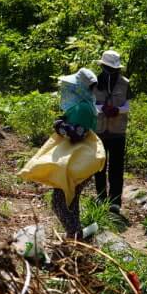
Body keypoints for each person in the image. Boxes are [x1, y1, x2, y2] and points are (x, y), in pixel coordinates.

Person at [50, 68, 98, 240]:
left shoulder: (83, 108)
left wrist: (59, 126)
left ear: (80, 88)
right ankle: (76, 238)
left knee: (59, 202)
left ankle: (73, 237)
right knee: (70, 201)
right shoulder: (85, 105)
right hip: (78, 161)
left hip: (77, 162)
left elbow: (78, 134)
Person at [93, 50, 132, 214]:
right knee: (99, 167)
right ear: (102, 66)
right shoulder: (94, 82)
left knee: (116, 167)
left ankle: (115, 201)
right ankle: (101, 197)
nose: (110, 71)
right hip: (99, 131)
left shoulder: (125, 83)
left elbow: (127, 107)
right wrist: (103, 108)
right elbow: (91, 104)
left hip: (117, 132)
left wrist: (117, 110)